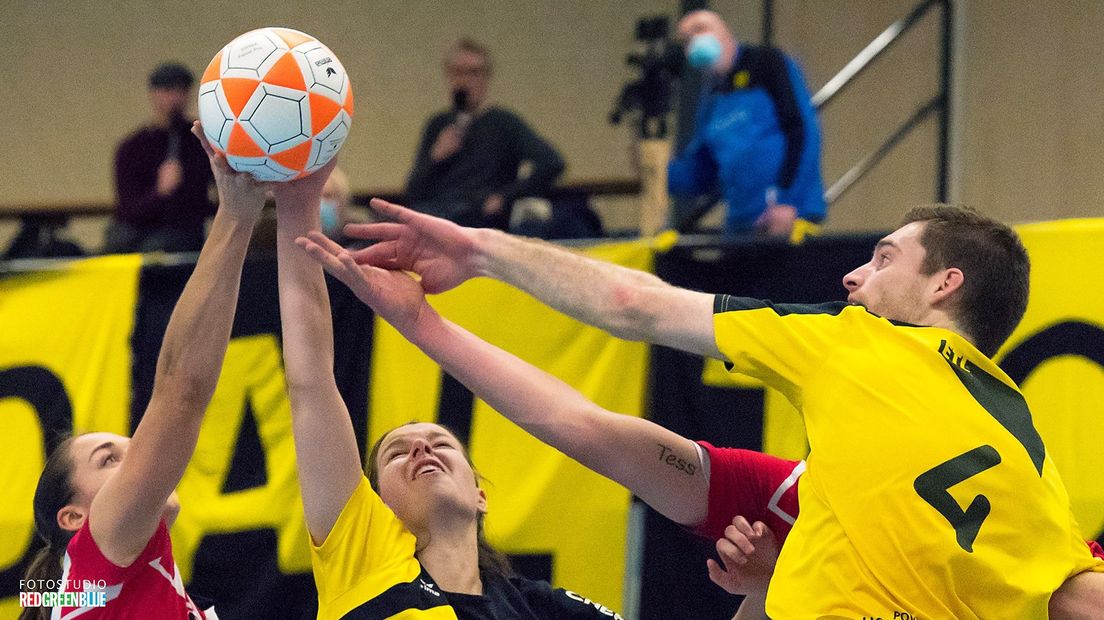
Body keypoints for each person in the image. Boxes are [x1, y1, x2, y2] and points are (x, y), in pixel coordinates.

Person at [298, 213, 1104, 620]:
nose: (854, 277)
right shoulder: (1035, 474)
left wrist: (479, 253)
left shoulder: (855, 343)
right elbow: (1080, 601)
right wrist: (771, 587)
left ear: (944, 285)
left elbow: (631, 304)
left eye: (884, 258)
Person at [272, 159, 620, 619]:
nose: (421, 449)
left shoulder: (538, 607)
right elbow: (310, 382)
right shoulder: (363, 557)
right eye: (397, 454)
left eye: (441, 444)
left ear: (480, 496)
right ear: (376, 505)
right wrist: (296, 204)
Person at [19, 122, 269, 619]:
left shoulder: (108, 585)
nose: (139, 455)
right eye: (110, 460)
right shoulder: (96, 562)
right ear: (75, 518)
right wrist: (235, 215)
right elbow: (180, 393)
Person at [670, 10, 825, 239]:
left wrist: (787, 201)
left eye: (700, 29)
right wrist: (658, 172)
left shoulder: (766, 62)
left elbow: (802, 130)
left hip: (787, 216)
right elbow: (702, 172)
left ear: (724, 30)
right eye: (686, 39)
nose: (695, 40)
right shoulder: (711, 97)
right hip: (742, 222)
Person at [405, 37, 565, 231]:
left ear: (486, 77)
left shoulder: (504, 123)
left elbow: (551, 162)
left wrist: (505, 197)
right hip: (437, 216)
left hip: (480, 218)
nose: (465, 81)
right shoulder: (438, 124)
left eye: (474, 73)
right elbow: (412, 191)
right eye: (458, 72)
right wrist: (435, 157)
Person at [104, 62, 215, 254]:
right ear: (154, 94)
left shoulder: (200, 140)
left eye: (181, 90)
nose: (175, 98)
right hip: (141, 240)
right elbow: (127, 210)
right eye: (168, 90)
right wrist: (160, 192)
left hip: (186, 239)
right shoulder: (132, 147)